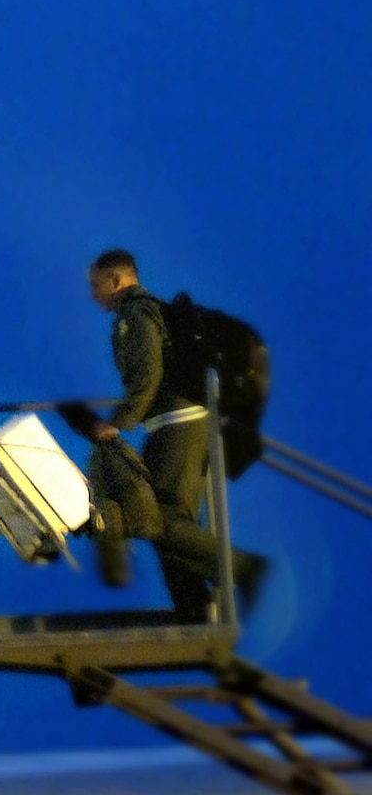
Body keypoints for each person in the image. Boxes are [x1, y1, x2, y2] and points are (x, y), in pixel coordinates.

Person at [84, 249, 266, 618]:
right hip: (181, 424)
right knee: (164, 520)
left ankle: (244, 569)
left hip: (178, 423)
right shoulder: (155, 310)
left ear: (116, 280)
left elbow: (148, 374)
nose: (93, 294)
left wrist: (117, 421)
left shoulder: (135, 315)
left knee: (162, 519)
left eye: (96, 284)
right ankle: (193, 608)